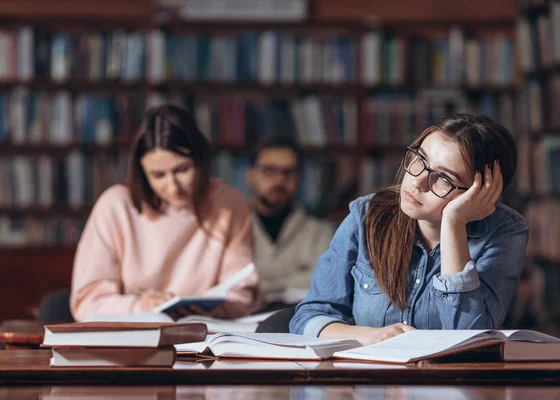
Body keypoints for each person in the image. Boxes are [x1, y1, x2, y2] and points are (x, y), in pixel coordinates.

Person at [290, 113, 529, 345]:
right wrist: (370, 336)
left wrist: (453, 224)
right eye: (420, 159)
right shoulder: (366, 215)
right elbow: (307, 319)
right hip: (371, 380)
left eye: (444, 178)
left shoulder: (505, 232)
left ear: (481, 192)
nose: (417, 181)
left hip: (451, 383)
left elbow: (469, 339)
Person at [70, 105, 259, 322]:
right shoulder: (116, 206)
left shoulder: (230, 204)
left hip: (203, 334)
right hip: (133, 335)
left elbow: (243, 293)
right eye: (158, 175)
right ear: (142, 172)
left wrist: (213, 310)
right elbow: (86, 302)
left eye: (182, 170)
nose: (173, 186)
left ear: (200, 160)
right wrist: (139, 305)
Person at [246, 134, 334, 306]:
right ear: (250, 175)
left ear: (299, 177)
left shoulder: (320, 231)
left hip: (297, 320)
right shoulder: (231, 229)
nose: (279, 180)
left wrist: (262, 286)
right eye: (269, 171)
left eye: (288, 172)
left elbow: (327, 280)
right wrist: (295, 278)